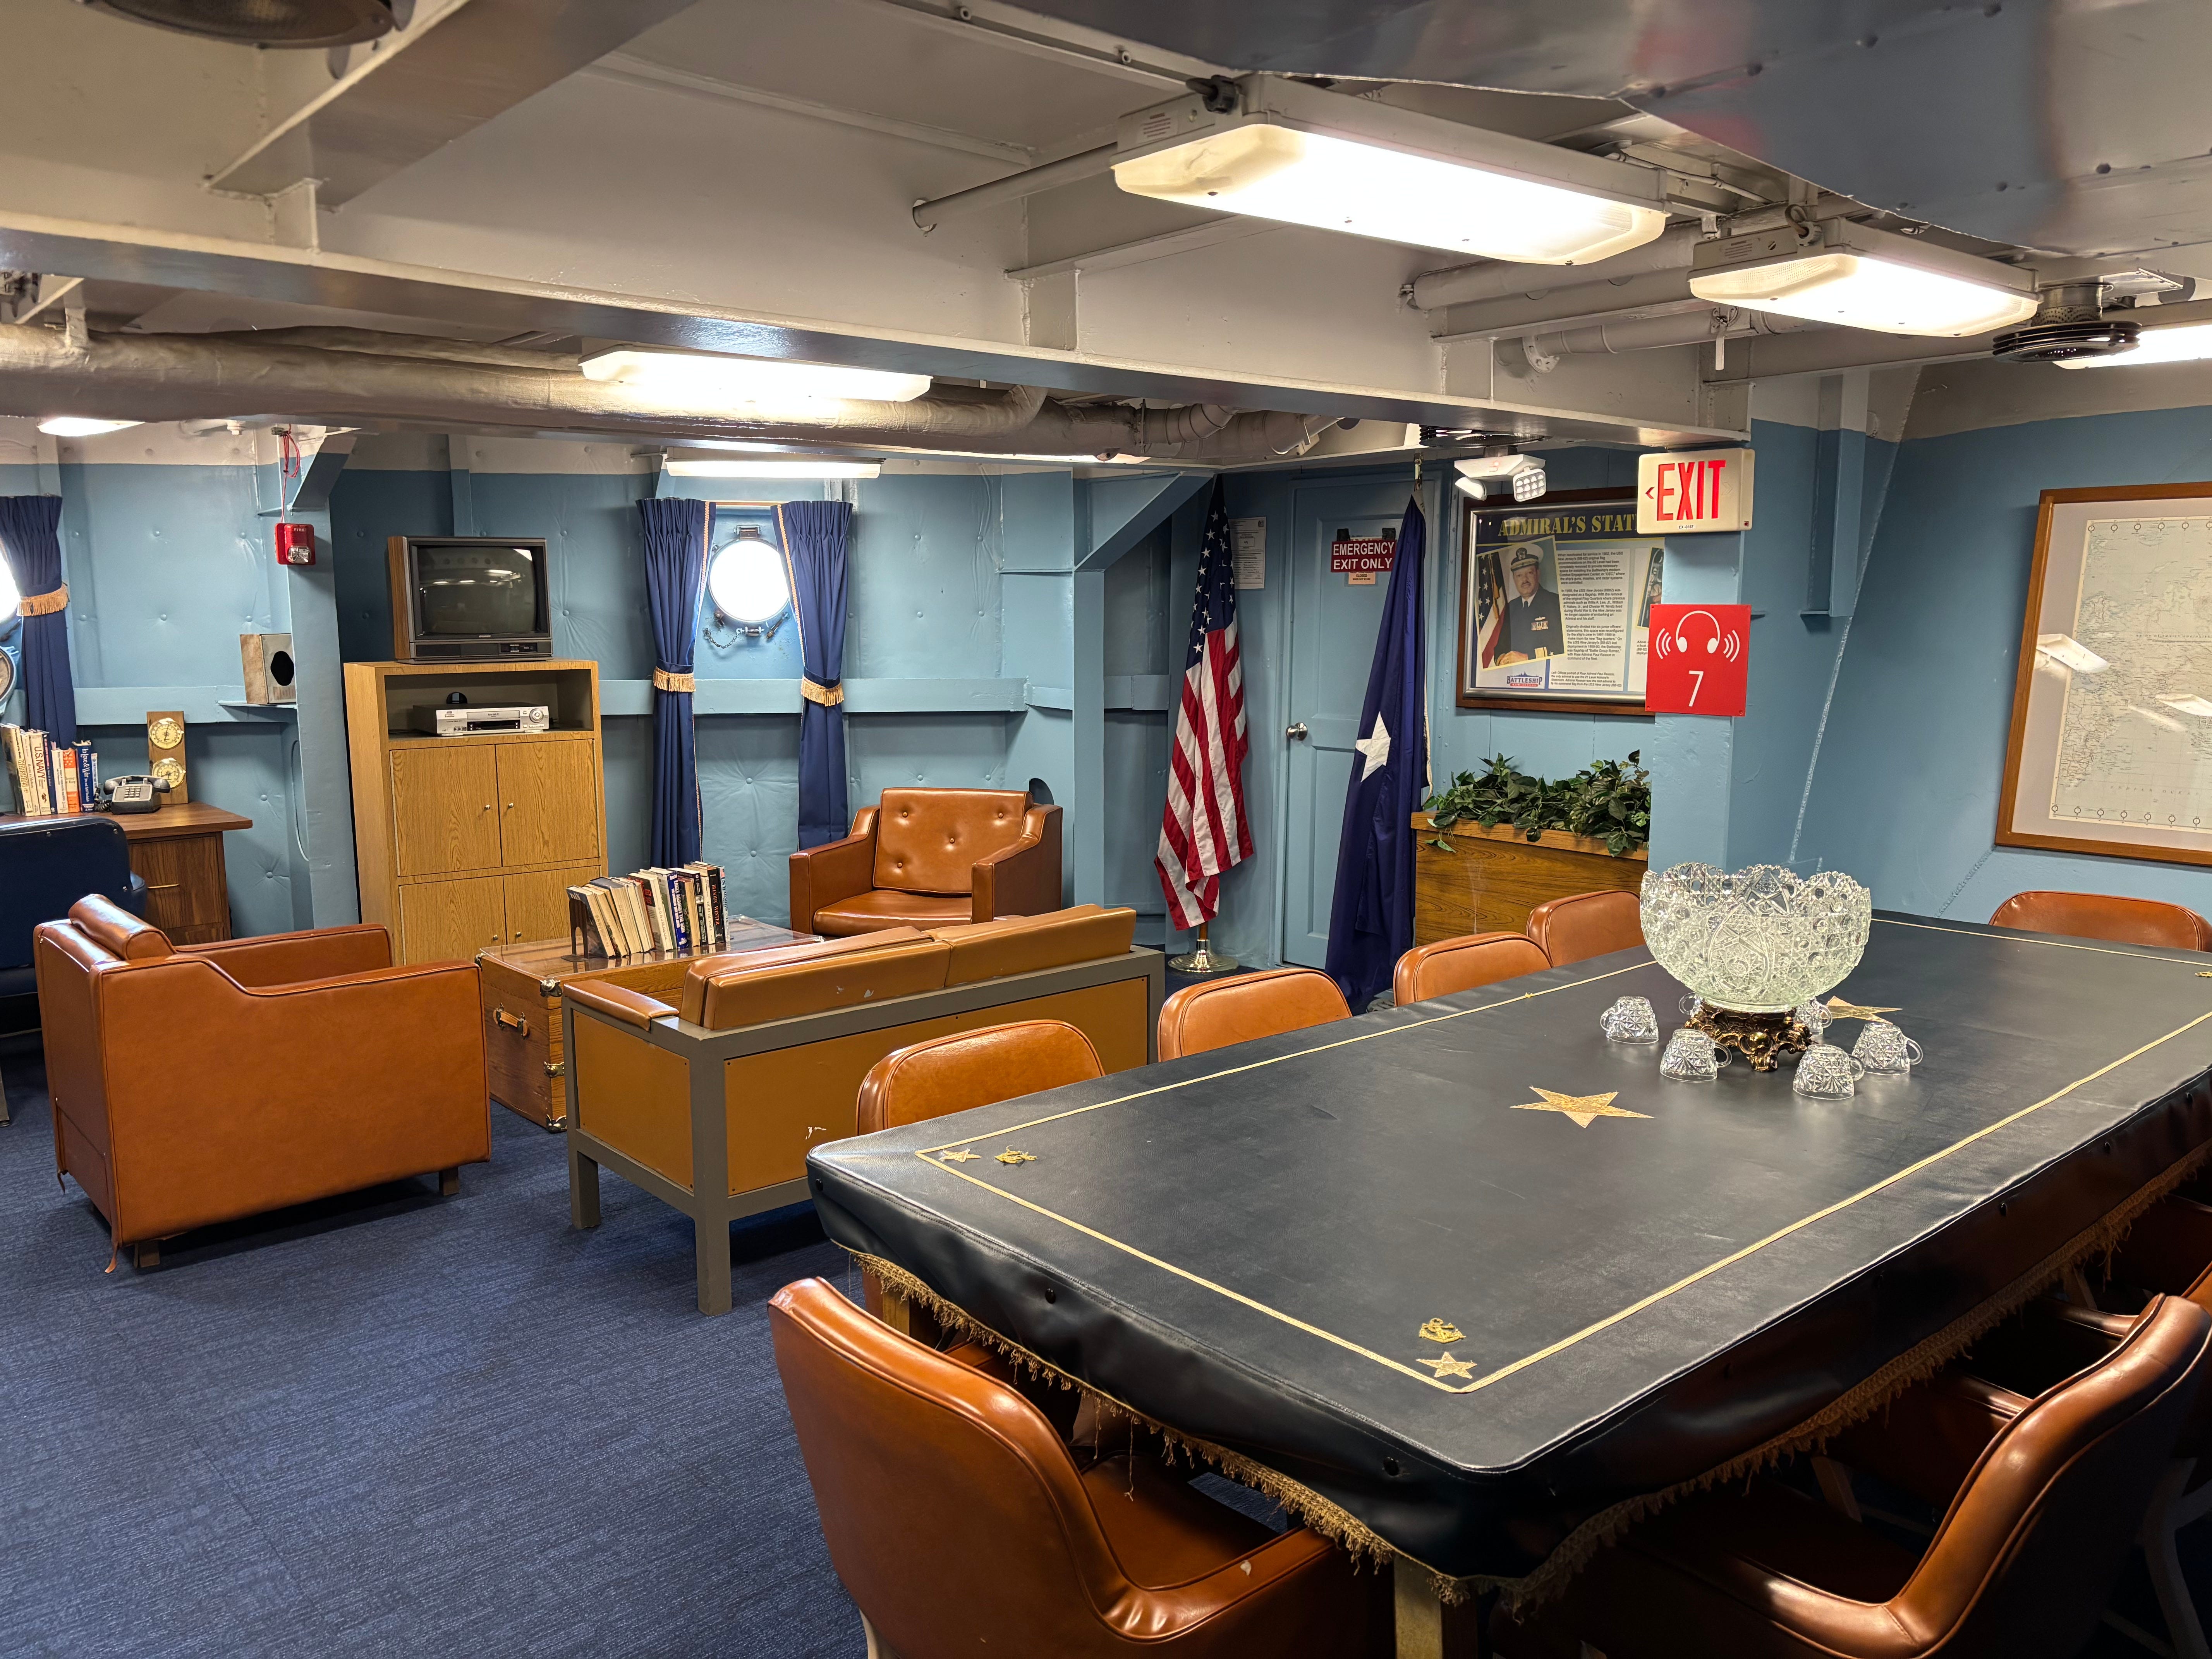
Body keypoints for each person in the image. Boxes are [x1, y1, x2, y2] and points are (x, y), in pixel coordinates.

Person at [1498, 544, 1565, 663]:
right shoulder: (1511, 607)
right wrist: (1502, 659)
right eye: (1519, 575)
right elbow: (1501, 647)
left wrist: (1528, 658)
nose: (1524, 580)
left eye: (1529, 573)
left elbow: (1562, 648)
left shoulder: (1556, 603)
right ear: (1514, 579)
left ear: (1538, 574)